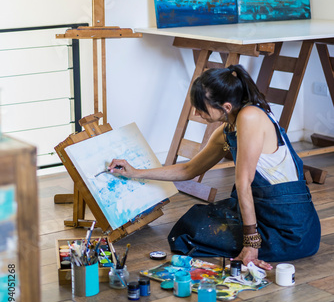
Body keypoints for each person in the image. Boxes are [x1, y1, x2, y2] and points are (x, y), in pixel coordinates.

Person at [108, 64, 321, 271]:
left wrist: (251, 244)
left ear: (226, 107)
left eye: (202, 108)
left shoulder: (251, 116)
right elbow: (188, 170)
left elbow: (244, 183)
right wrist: (135, 172)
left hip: (290, 225)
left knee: (192, 235)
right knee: (192, 222)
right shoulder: (227, 130)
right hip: (263, 210)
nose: (198, 113)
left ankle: (262, 244)